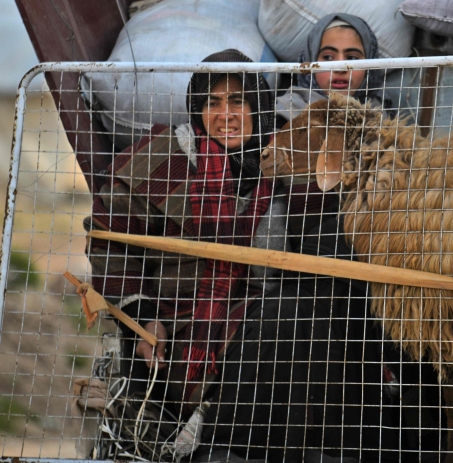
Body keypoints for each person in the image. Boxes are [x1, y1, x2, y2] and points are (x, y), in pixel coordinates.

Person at [83, 49, 395, 462]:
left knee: (308, 315)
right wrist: (143, 318)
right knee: (286, 320)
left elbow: (326, 242)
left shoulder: (286, 158)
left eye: (237, 102)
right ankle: (214, 438)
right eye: (212, 102)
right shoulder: (162, 156)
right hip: (182, 332)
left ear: (257, 107)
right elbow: (108, 236)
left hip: (276, 328)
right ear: (196, 108)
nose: (225, 114)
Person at [276, 13, 388, 124]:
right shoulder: (288, 111)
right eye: (328, 57)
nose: (340, 68)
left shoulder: (382, 118)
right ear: (310, 62)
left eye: (352, 58)